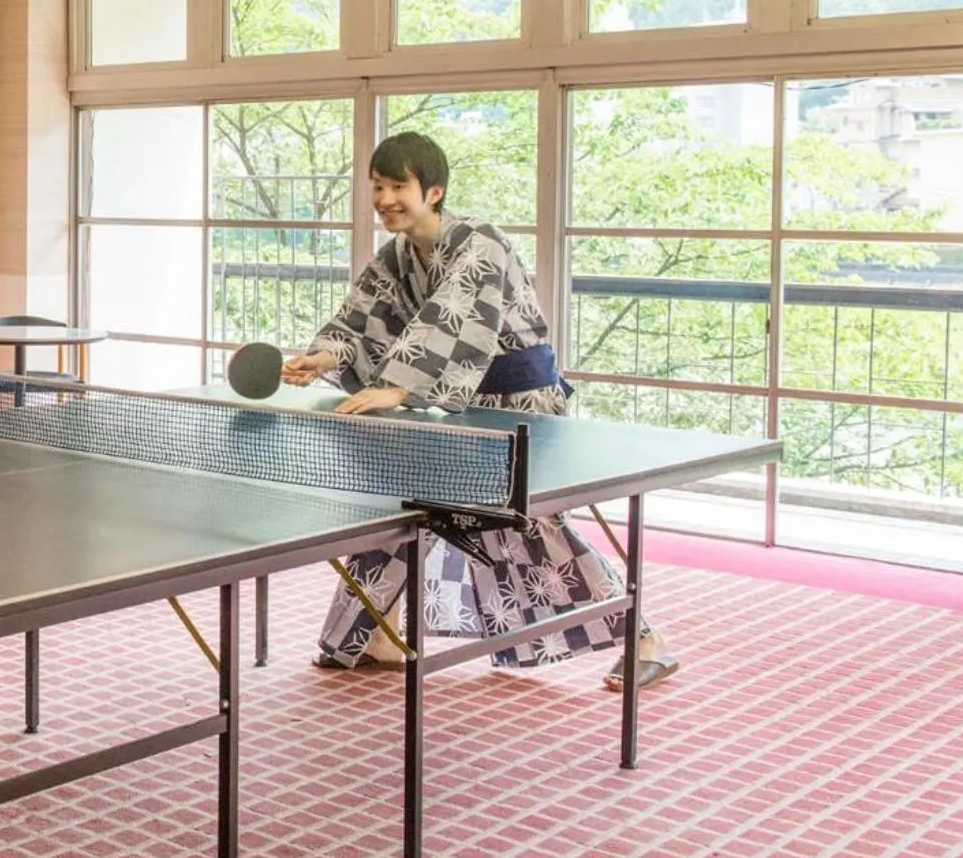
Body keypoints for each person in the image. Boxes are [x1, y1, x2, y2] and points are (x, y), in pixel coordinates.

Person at [282, 132, 678, 692]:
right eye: (378, 186)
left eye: (400, 186)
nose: (386, 198)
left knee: (528, 525)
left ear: (434, 191)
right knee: (404, 501)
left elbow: (452, 315)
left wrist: (399, 388)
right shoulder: (396, 257)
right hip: (466, 405)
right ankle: (377, 633)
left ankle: (644, 639)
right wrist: (320, 356)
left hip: (520, 406)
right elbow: (357, 319)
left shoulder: (480, 243)